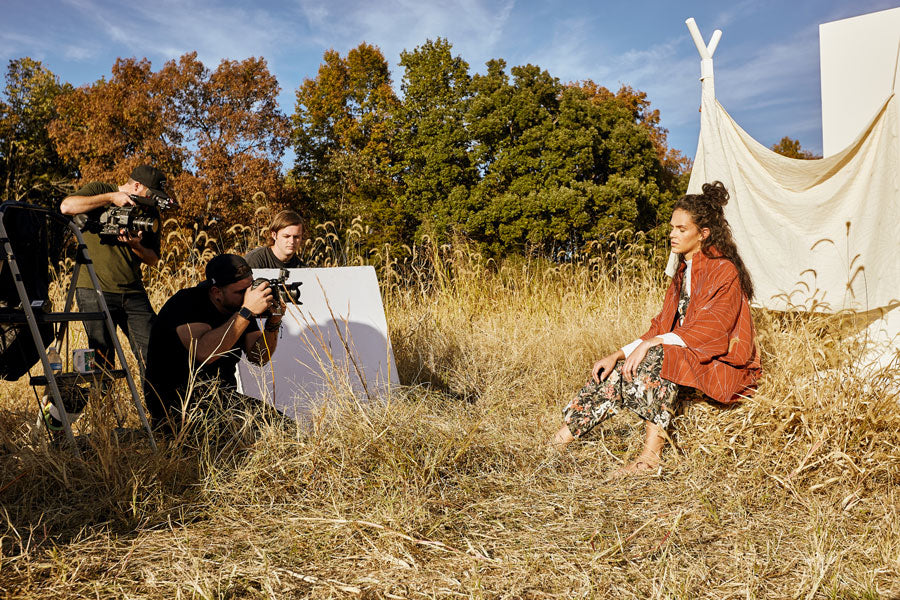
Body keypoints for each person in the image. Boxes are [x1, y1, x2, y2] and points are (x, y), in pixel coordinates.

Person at [550, 181, 762, 477]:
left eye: (681, 229)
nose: (672, 234)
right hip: (691, 358)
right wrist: (617, 354)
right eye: (672, 227)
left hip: (722, 364)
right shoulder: (683, 272)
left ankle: (649, 459)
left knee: (661, 356)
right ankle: (561, 439)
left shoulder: (723, 270)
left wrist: (654, 344)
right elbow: (661, 326)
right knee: (616, 368)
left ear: (703, 234)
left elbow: (713, 333)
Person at [143, 254, 284, 434]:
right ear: (217, 292)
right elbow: (204, 353)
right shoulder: (187, 303)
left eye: (250, 289)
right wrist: (247, 311)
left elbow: (259, 357)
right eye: (240, 292)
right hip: (179, 403)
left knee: (283, 430)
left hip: (222, 398)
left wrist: (274, 321)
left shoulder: (239, 307)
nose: (247, 296)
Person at [60, 165, 165, 374]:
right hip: (94, 288)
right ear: (136, 185)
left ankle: (155, 406)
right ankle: (96, 404)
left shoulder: (149, 212)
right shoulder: (100, 189)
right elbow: (66, 207)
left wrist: (135, 245)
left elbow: (153, 259)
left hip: (133, 291)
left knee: (154, 353)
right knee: (101, 359)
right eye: (150, 194)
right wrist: (111, 198)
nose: (153, 200)